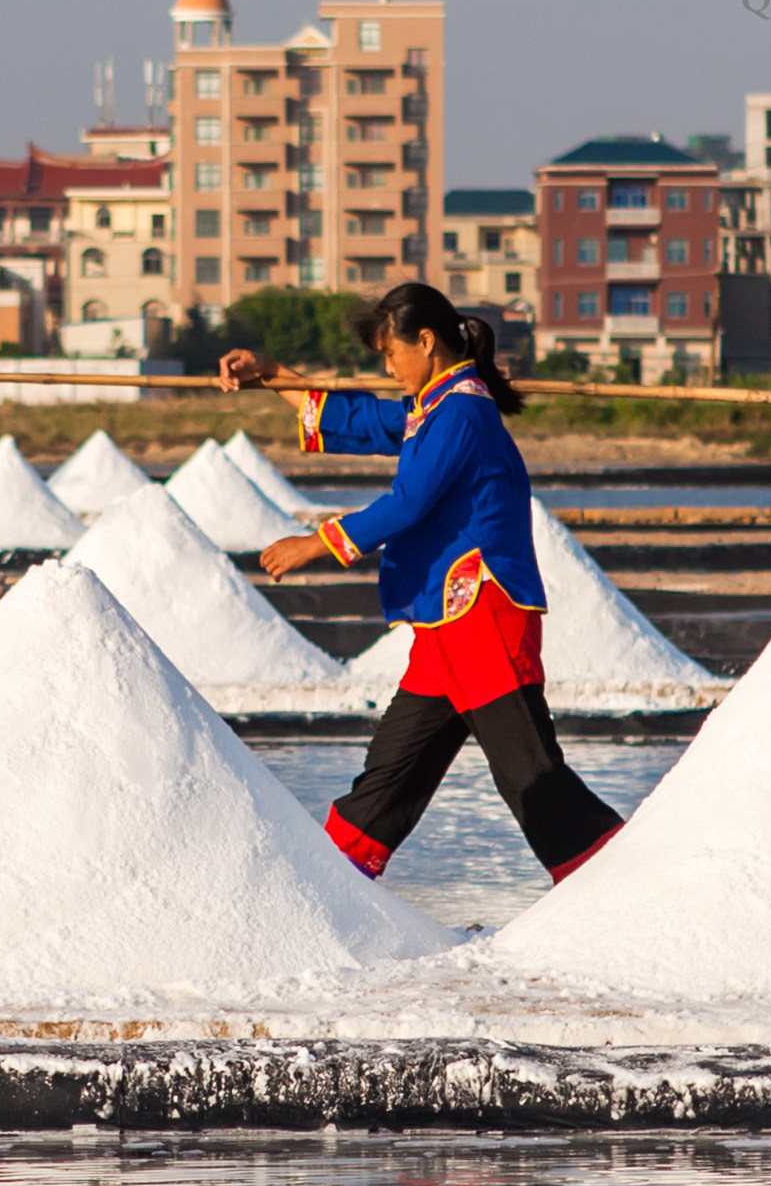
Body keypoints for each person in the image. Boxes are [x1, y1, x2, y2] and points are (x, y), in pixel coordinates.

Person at [222, 283, 626, 882]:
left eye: (391, 354)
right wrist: (274, 374)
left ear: (427, 342)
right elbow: (358, 419)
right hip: (444, 625)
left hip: (482, 613)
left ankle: (614, 882)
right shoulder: (433, 409)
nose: (387, 369)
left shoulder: (462, 411)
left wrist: (315, 542)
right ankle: (330, 886)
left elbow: (407, 504)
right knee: (390, 775)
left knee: (529, 775)